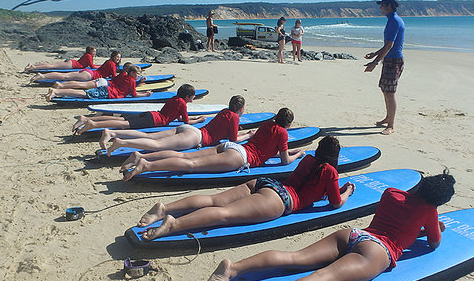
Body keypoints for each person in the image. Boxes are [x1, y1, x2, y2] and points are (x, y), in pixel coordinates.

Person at [206, 170, 456, 281]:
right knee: (322, 277)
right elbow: (434, 244)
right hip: (378, 251)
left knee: (295, 257)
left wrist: (418, 217)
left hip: (355, 235)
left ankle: (233, 269)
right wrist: (430, 227)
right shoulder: (429, 212)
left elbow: (397, 218)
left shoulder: (391, 193)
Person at [136, 136, 355, 241]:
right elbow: (335, 203)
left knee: (215, 201)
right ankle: (173, 224)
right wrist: (346, 191)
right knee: (224, 215)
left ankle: (165, 209)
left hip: (267, 183)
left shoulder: (308, 160)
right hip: (282, 199)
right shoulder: (331, 172)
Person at [121, 107, 305, 182]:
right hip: (240, 157)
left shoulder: (267, 125)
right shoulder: (282, 133)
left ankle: (141, 156)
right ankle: (147, 165)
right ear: (288, 124)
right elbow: (284, 161)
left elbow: (266, 150)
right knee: (191, 165)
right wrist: (298, 154)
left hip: (230, 147)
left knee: (185, 156)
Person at [102, 95, 255, 154]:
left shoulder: (224, 111)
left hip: (190, 129)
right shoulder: (234, 116)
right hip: (196, 138)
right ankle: (121, 142)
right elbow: (233, 140)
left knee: (149, 136)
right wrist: (248, 135)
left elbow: (223, 129)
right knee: (157, 145)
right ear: (241, 109)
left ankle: (112, 133)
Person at [72, 84, 205, 134]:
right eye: (192, 97)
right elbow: (186, 122)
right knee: (123, 124)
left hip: (151, 114)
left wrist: (194, 118)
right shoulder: (183, 104)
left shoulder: (174, 99)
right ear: (188, 96)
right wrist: (198, 120)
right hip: (154, 121)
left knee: (121, 119)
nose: (193, 99)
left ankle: (87, 118)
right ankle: (93, 124)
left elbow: (180, 117)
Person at [364, 0, 405, 135]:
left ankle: (391, 125)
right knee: (385, 89)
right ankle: (388, 117)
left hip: (394, 61)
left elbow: (390, 45)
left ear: (388, 5)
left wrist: (374, 63)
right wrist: (375, 54)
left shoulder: (394, 21)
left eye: (381, 5)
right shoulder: (392, 20)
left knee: (390, 92)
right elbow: (387, 45)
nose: (380, 8)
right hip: (389, 59)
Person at [45, 64, 151, 101]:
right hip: (108, 92)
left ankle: (58, 89)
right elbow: (134, 94)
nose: (138, 76)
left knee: (82, 89)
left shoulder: (124, 75)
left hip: (106, 88)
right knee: (83, 93)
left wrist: (139, 82)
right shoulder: (131, 81)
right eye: (137, 74)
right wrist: (146, 94)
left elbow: (125, 87)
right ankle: (56, 92)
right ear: (132, 73)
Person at [30, 50, 121, 83]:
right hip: (90, 75)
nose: (117, 59)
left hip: (88, 72)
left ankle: (40, 73)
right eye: (116, 57)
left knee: (65, 76)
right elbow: (114, 77)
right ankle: (42, 76)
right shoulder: (112, 64)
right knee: (65, 76)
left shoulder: (108, 62)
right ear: (113, 57)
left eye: (119, 58)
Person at [50, 62, 145, 91]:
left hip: (102, 80)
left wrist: (138, 82)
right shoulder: (126, 77)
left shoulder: (122, 74)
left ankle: (61, 85)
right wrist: (139, 83)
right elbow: (130, 88)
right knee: (82, 86)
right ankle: (61, 86)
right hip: (103, 83)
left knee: (81, 84)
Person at [24, 46, 96, 72]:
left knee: (52, 65)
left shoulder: (87, 55)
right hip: (73, 65)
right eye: (94, 52)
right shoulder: (89, 56)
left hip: (72, 63)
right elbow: (92, 66)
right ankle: (33, 67)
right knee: (52, 66)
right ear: (90, 51)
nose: (95, 53)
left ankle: (33, 65)